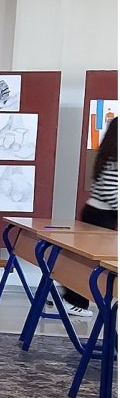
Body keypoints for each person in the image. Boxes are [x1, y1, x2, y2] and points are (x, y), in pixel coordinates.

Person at [61, 117, 118, 315]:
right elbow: (110, 192)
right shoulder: (113, 161)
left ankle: (74, 298)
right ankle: (74, 300)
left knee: (87, 262)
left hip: (97, 213)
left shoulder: (108, 156)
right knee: (90, 263)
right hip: (101, 216)